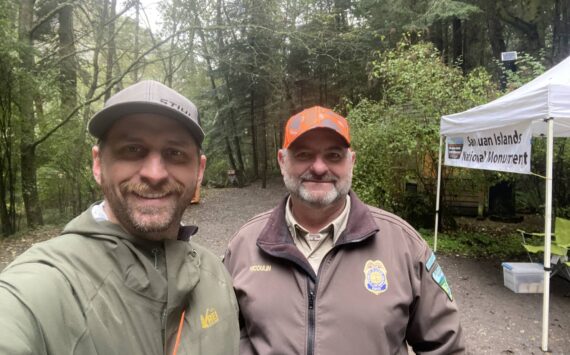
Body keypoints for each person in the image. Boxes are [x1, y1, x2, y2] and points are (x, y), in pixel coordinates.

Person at [0, 80, 239, 355]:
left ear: (199, 170)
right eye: (132, 149)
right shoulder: (44, 286)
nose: (155, 173)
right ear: (98, 164)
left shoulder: (216, 276)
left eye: (175, 153)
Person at [224, 106, 464, 354]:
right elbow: (220, 338)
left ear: (352, 162)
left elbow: (445, 347)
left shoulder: (404, 246)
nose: (318, 168)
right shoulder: (245, 245)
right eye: (304, 154)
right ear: (282, 160)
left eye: (334, 155)